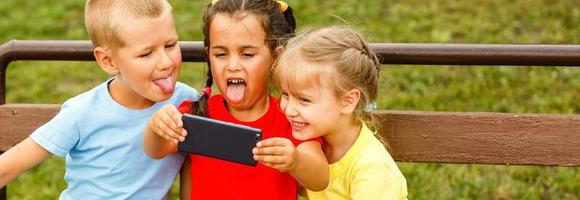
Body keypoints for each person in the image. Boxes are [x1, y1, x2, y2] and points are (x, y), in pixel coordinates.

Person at [0, 0, 198, 199]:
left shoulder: (187, 102)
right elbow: (6, 169)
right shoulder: (82, 113)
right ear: (108, 61)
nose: (165, 63)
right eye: (146, 54)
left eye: (171, 45)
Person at [143, 0, 329, 199]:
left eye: (247, 54)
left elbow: (320, 179)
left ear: (275, 58)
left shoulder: (291, 118)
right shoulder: (197, 114)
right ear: (209, 56)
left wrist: (296, 161)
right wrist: (156, 127)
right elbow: (155, 150)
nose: (233, 65)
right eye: (221, 54)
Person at [272, 26, 408, 199]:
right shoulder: (312, 142)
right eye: (285, 94)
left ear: (348, 101)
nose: (289, 110)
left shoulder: (372, 168)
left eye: (304, 100)